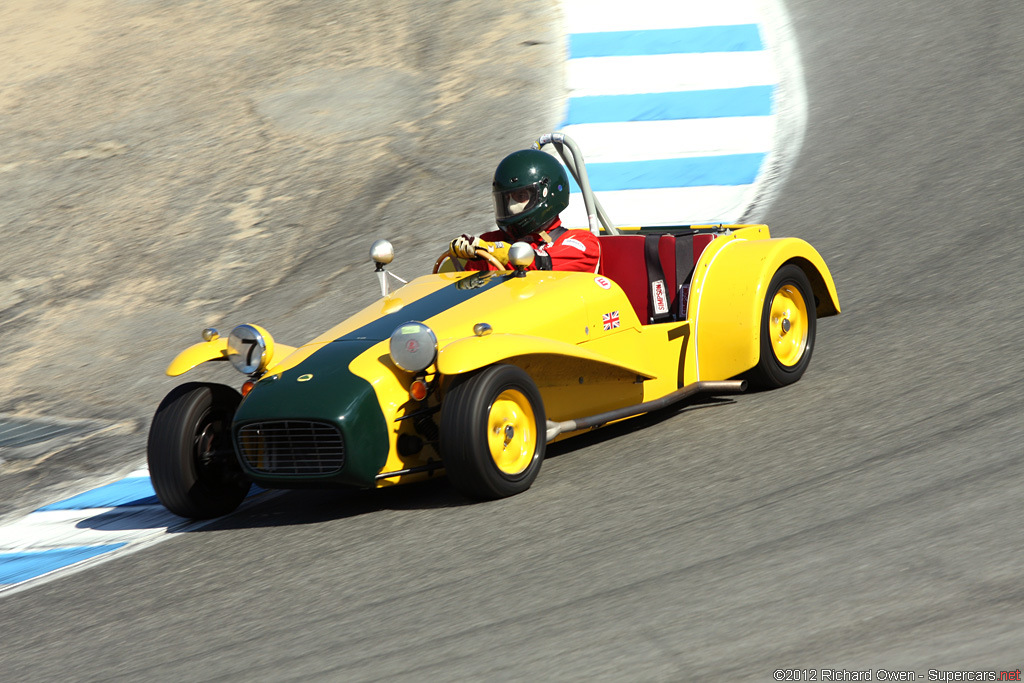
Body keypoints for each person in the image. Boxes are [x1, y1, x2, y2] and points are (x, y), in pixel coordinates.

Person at [449, 149, 601, 272]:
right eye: (507, 199)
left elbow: (540, 264)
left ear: (546, 195)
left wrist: (498, 251)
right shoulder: (490, 240)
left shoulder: (582, 242)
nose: (510, 207)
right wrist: (463, 254)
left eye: (521, 196)